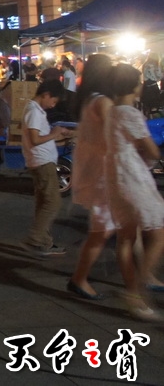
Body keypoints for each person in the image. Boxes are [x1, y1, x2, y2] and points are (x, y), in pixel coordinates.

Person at [106, 63, 164, 321]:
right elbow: (151, 150)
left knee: (127, 237)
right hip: (132, 176)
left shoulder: (109, 112)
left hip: (114, 176)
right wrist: (151, 154)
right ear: (134, 86)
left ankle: (135, 292)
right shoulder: (130, 114)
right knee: (159, 234)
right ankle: (137, 290)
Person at [68, 54, 117, 300]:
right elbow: (113, 137)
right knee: (103, 229)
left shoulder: (87, 99)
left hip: (93, 169)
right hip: (104, 172)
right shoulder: (103, 102)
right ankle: (80, 278)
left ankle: (143, 277)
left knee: (125, 227)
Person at [20, 80, 69, 257]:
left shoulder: (35, 110)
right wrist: (54, 134)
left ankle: (44, 242)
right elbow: (35, 139)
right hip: (42, 163)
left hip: (42, 161)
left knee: (44, 202)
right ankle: (35, 238)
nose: (53, 105)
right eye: (53, 101)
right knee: (53, 202)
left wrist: (59, 135)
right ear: (46, 94)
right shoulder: (34, 111)